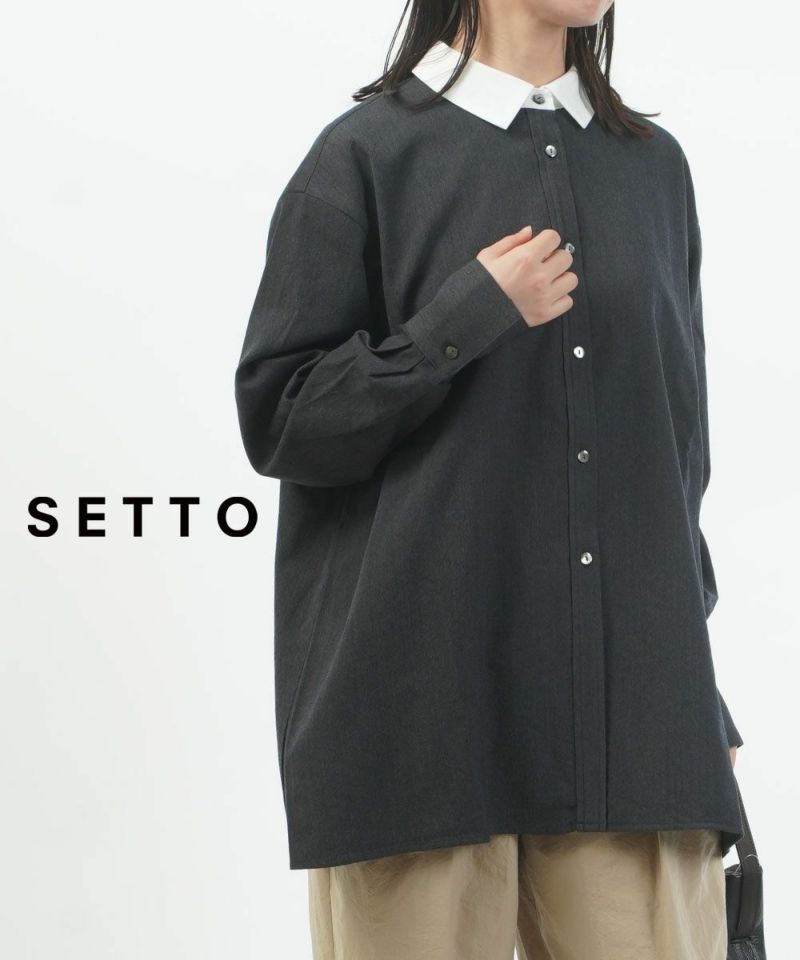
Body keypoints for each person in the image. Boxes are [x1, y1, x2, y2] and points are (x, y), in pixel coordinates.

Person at [234, 1, 745, 956]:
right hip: (419, 721)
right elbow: (285, 426)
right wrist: (462, 321)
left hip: (635, 725)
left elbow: (678, 461)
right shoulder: (365, 155)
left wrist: (697, 687)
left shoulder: (654, 170)